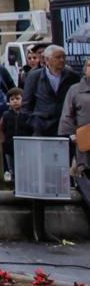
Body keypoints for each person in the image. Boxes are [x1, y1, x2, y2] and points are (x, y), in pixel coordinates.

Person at [58, 59, 90, 212]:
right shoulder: (75, 90)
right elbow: (67, 116)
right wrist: (71, 135)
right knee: (84, 173)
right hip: (84, 139)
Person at [23, 44, 72, 137]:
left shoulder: (72, 77)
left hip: (64, 128)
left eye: (64, 57)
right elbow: (26, 105)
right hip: (41, 128)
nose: (62, 60)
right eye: (58, 57)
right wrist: (34, 123)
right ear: (47, 59)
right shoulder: (34, 76)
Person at [0, 87, 35, 182]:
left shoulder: (27, 114)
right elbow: (1, 129)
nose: (15, 101)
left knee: (25, 165)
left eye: (17, 98)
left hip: (25, 145)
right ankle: (13, 180)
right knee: (11, 166)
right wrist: (3, 141)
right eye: (12, 99)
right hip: (9, 145)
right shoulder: (6, 115)